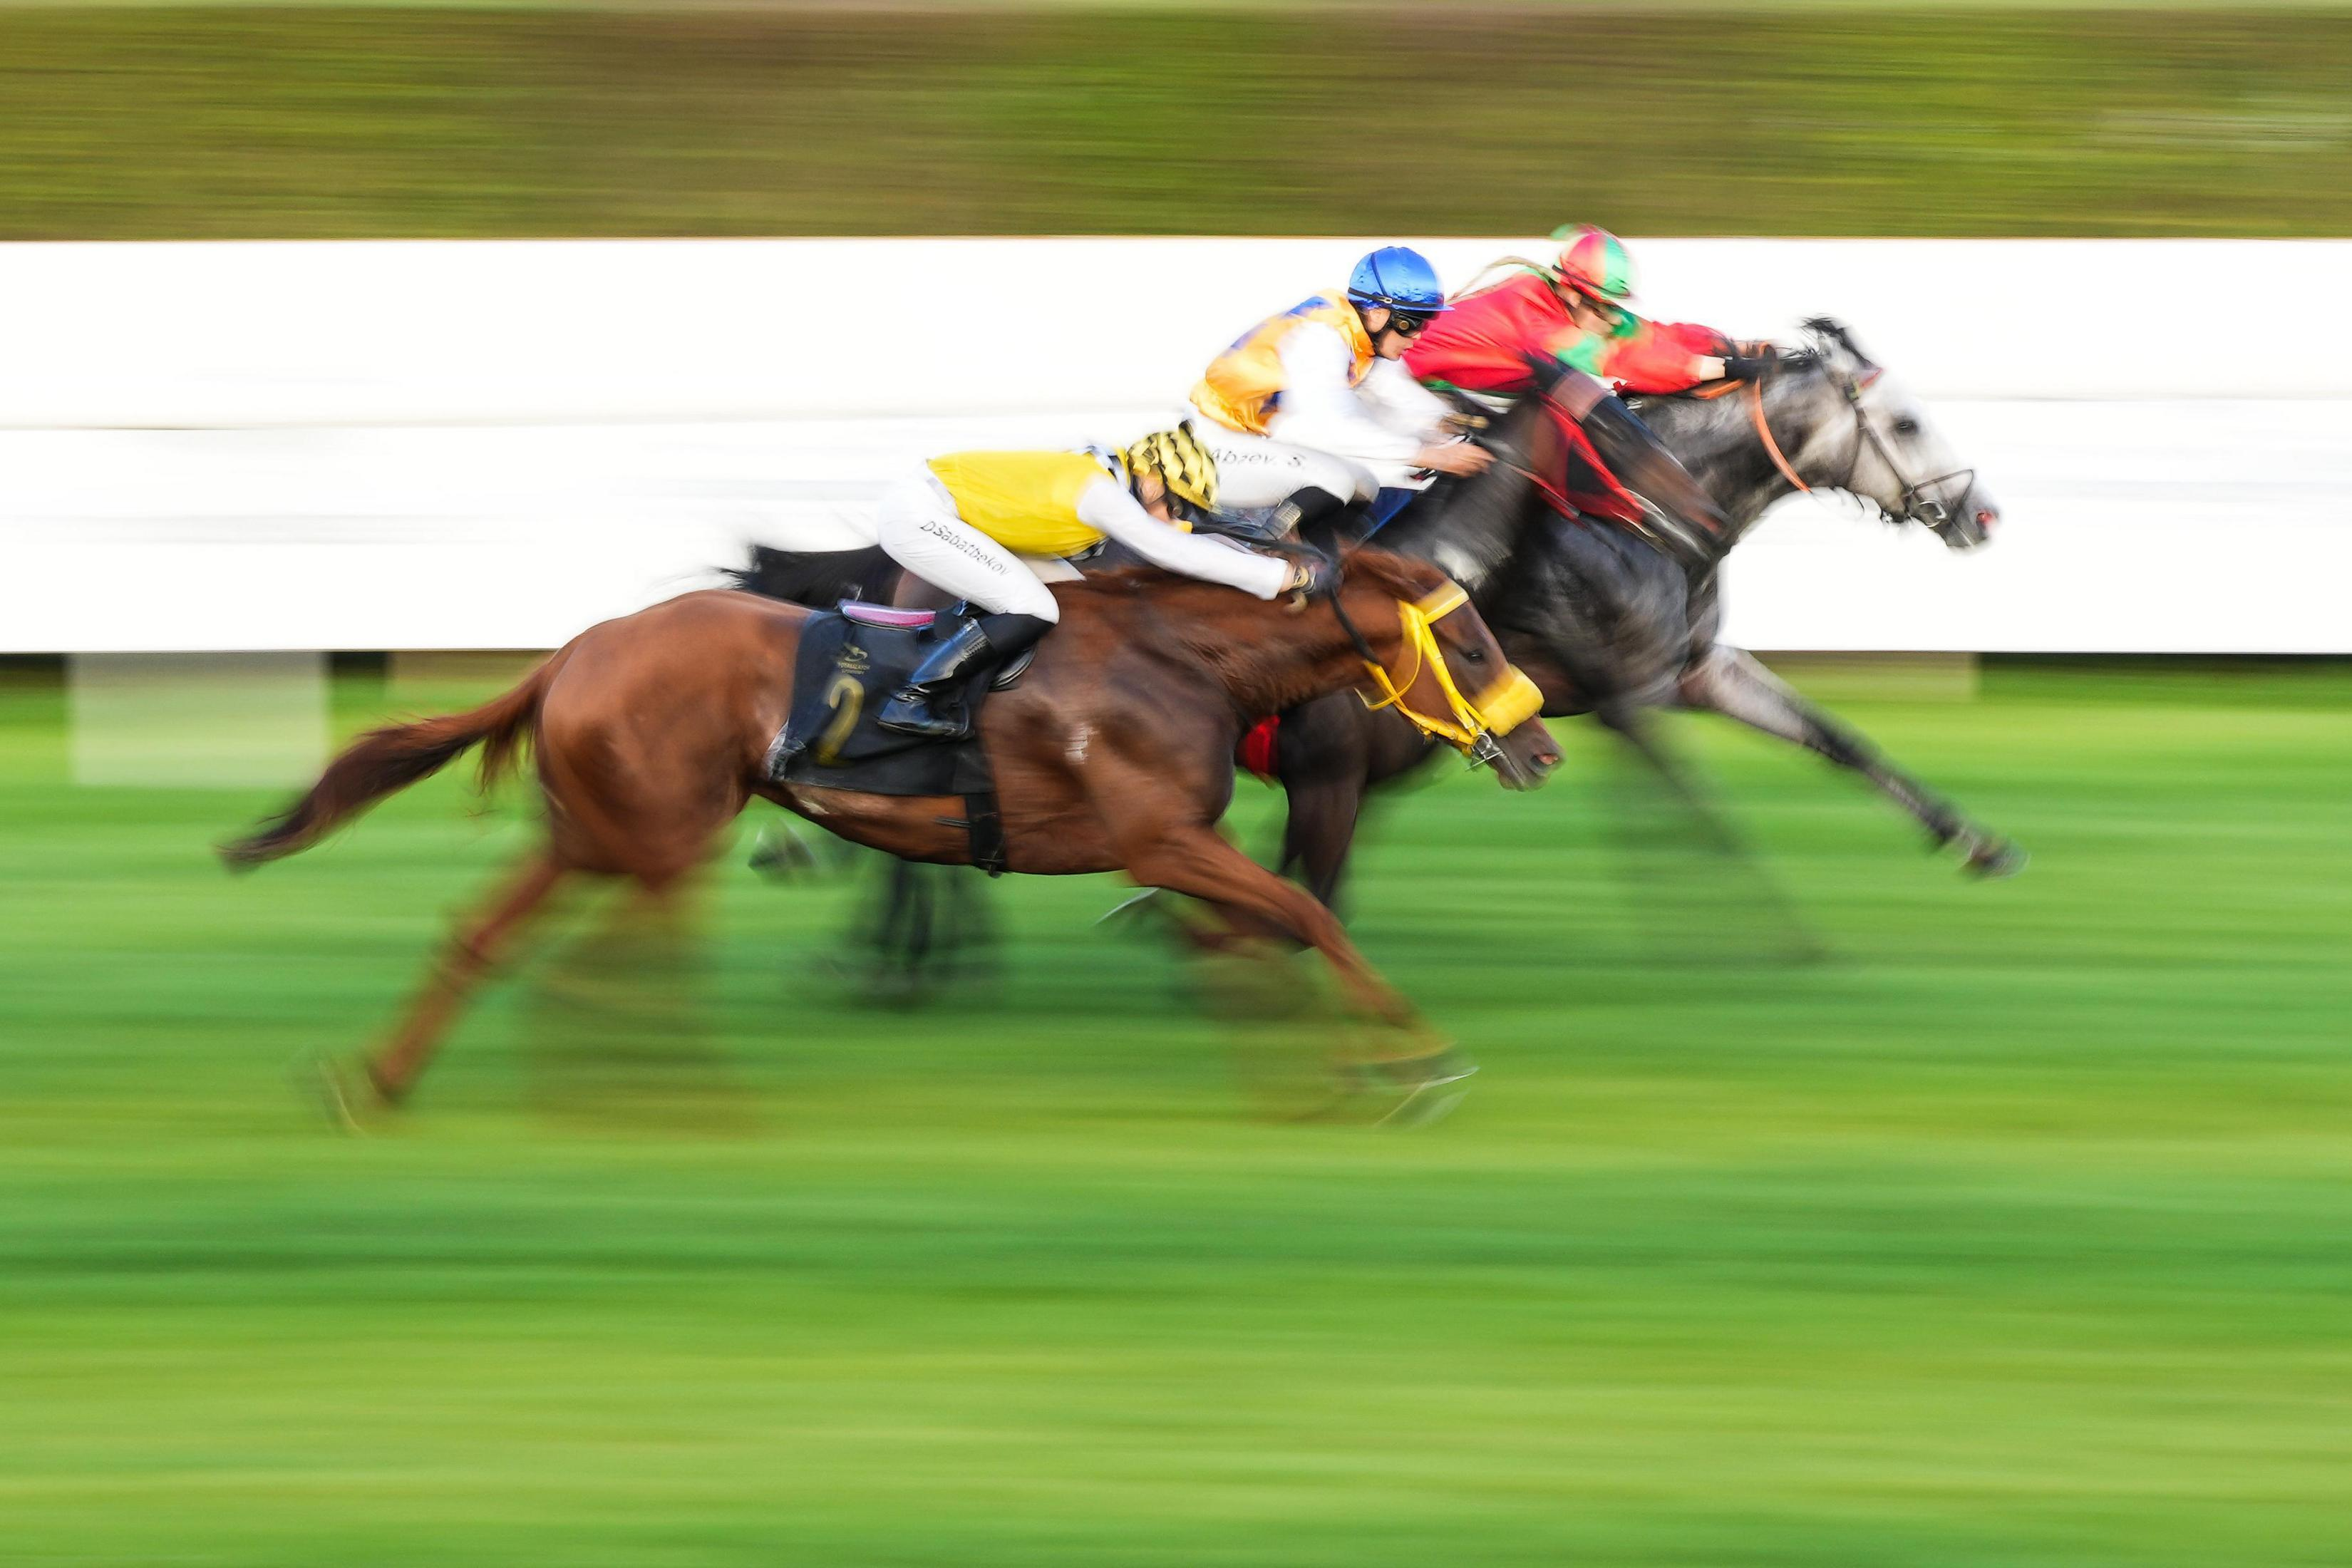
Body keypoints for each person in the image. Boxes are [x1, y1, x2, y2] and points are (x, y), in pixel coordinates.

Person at [872, 426, 1318, 739]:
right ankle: (909, 699)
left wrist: (1265, 561)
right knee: (1036, 608)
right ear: (1152, 483)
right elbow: (1171, 551)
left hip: (949, 512)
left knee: (1078, 604)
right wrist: (1281, 576)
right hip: (922, 514)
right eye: (1177, 508)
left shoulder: (1114, 479)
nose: (1174, 520)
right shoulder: (1101, 492)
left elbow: (1194, 543)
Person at [1405, 224, 1763, 562]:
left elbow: (1648, 334)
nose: (1610, 317)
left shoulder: (1565, 302)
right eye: (1601, 306)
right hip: (1412, 388)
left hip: (1472, 388)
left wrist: (1732, 345)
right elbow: (1619, 359)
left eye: (1612, 305)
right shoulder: (1530, 317)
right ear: (1569, 291)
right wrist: (1723, 368)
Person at [1189, 245, 1492, 545]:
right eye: (1410, 323)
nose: (1417, 336)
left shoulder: (1357, 335)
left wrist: (1449, 425)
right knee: (1343, 478)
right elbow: (1331, 427)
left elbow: (1396, 393)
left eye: (1424, 323)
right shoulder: (1321, 338)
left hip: (1248, 442)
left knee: (1376, 475)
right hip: (1214, 449)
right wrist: (1430, 454)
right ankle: (1262, 550)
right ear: (1377, 313)